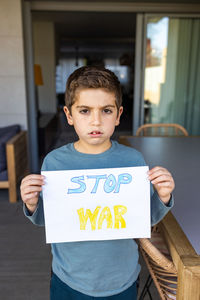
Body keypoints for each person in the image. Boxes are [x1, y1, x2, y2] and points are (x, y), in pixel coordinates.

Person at [20, 66, 175, 300]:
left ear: (119, 114)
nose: (96, 121)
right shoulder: (55, 162)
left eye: (106, 110)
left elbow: (143, 219)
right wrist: (32, 204)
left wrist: (162, 196)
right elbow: (48, 220)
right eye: (84, 111)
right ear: (69, 115)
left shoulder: (132, 160)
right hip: (69, 277)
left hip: (121, 277)